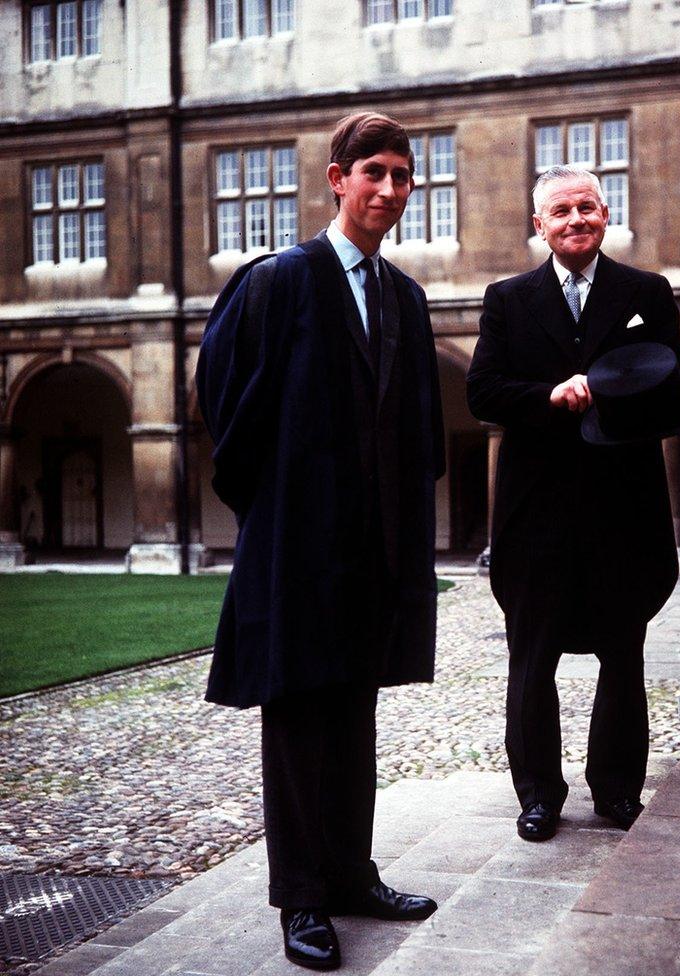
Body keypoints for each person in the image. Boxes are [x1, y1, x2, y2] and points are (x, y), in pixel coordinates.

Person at [196, 112, 445, 972]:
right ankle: (302, 895)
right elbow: (225, 405)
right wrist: (278, 511)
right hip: (298, 546)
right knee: (300, 720)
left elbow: (419, 431)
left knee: (355, 716)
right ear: (335, 179)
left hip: (374, 549)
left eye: (402, 176)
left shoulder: (405, 299)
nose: (389, 189)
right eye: (372, 171)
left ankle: (351, 873)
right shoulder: (279, 281)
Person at [467, 164, 680, 843]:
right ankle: (539, 795)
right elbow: (484, 392)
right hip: (535, 512)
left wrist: (614, 391)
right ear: (537, 225)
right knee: (531, 658)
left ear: (606, 215)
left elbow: (678, 385)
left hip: (622, 509)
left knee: (624, 654)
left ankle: (618, 793)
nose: (575, 220)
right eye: (560, 211)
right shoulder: (507, 300)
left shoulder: (645, 293)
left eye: (586, 208)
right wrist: (549, 396)